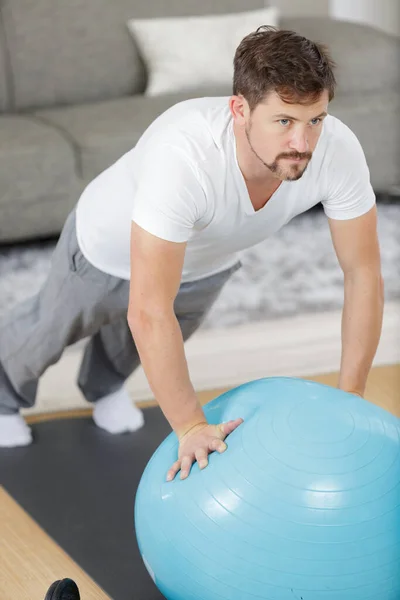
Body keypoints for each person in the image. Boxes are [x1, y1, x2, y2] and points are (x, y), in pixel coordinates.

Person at [0, 27, 384, 481]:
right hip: (107, 247)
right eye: (284, 121)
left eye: (315, 120)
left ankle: (103, 389)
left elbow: (363, 273)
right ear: (240, 109)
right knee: (51, 328)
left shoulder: (337, 150)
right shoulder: (185, 152)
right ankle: (5, 398)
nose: (303, 143)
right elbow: (147, 310)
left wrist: (351, 396)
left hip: (208, 262)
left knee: (134, 347)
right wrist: (191, 426)